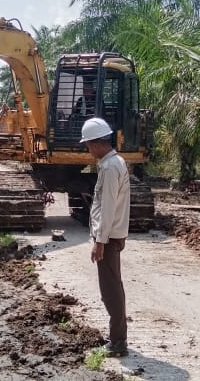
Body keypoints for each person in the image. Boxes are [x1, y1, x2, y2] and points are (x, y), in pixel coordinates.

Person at [81, 117, 129, 357]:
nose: (88, 150)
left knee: (110, 289)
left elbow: (108, 207)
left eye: (88, 145)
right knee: (112, 286)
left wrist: (100, 242)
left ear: (97, 143)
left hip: (108, 239)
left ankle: (118, 342)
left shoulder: (110, 168)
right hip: (111, 236)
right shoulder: (113, 163)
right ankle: (117, 337)